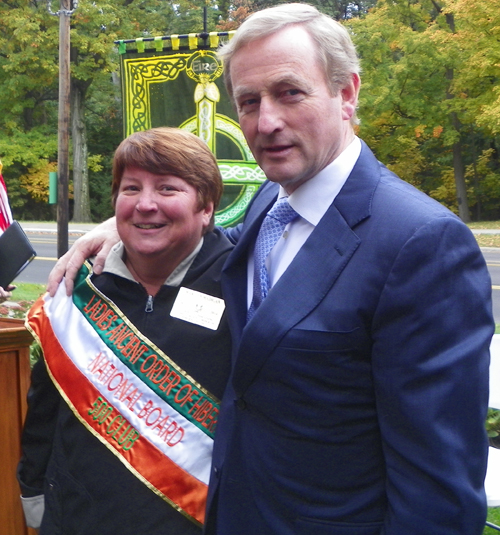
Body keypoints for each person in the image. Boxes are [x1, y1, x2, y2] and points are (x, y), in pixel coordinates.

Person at [47, 4, 494, 534]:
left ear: (347, 93)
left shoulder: (423, 244)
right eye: (249, 102)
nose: (267, 122)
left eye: (290, 92)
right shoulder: (271, 204)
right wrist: (119, 226)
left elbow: (437, 488)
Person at [18, 127, 233, 534]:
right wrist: (34, 492)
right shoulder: (75, 290)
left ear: (206, 208)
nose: (145, 205)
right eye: (131, 188)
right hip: (79, 519)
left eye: (168, 189)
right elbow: (44, 409)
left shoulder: (244, 286)